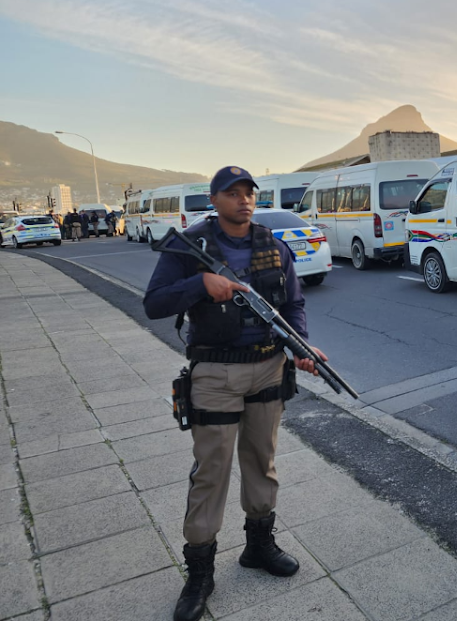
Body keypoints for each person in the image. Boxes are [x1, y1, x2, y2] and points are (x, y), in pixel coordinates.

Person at [143, 166, 328, 621]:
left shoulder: (273, 245)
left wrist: (301, 347)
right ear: (214, 198)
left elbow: (293, 305)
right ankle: (200, 572)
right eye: (233, 192)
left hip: (269, 368)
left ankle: (259, 545)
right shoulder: (190, 247)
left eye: (249, 192)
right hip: (215, 374)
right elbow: (154, 303)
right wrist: (199, 285)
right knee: (212, 471)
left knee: (262, 461)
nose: (243, 199)